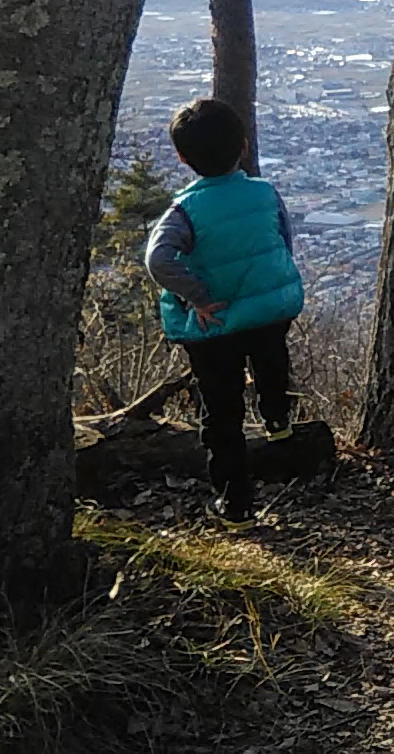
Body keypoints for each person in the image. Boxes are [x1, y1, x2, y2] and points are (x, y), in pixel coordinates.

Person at [145, 98, 304, 529]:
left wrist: (196, 296)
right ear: (245, 146)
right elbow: (281, 240)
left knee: (222, 413)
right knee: (271, 356)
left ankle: (236, 506)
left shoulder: (184, 211)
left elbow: (159, 260)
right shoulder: (264, 191)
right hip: (270, 308)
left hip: (215, 325)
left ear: (182, 157)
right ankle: (276, 416)